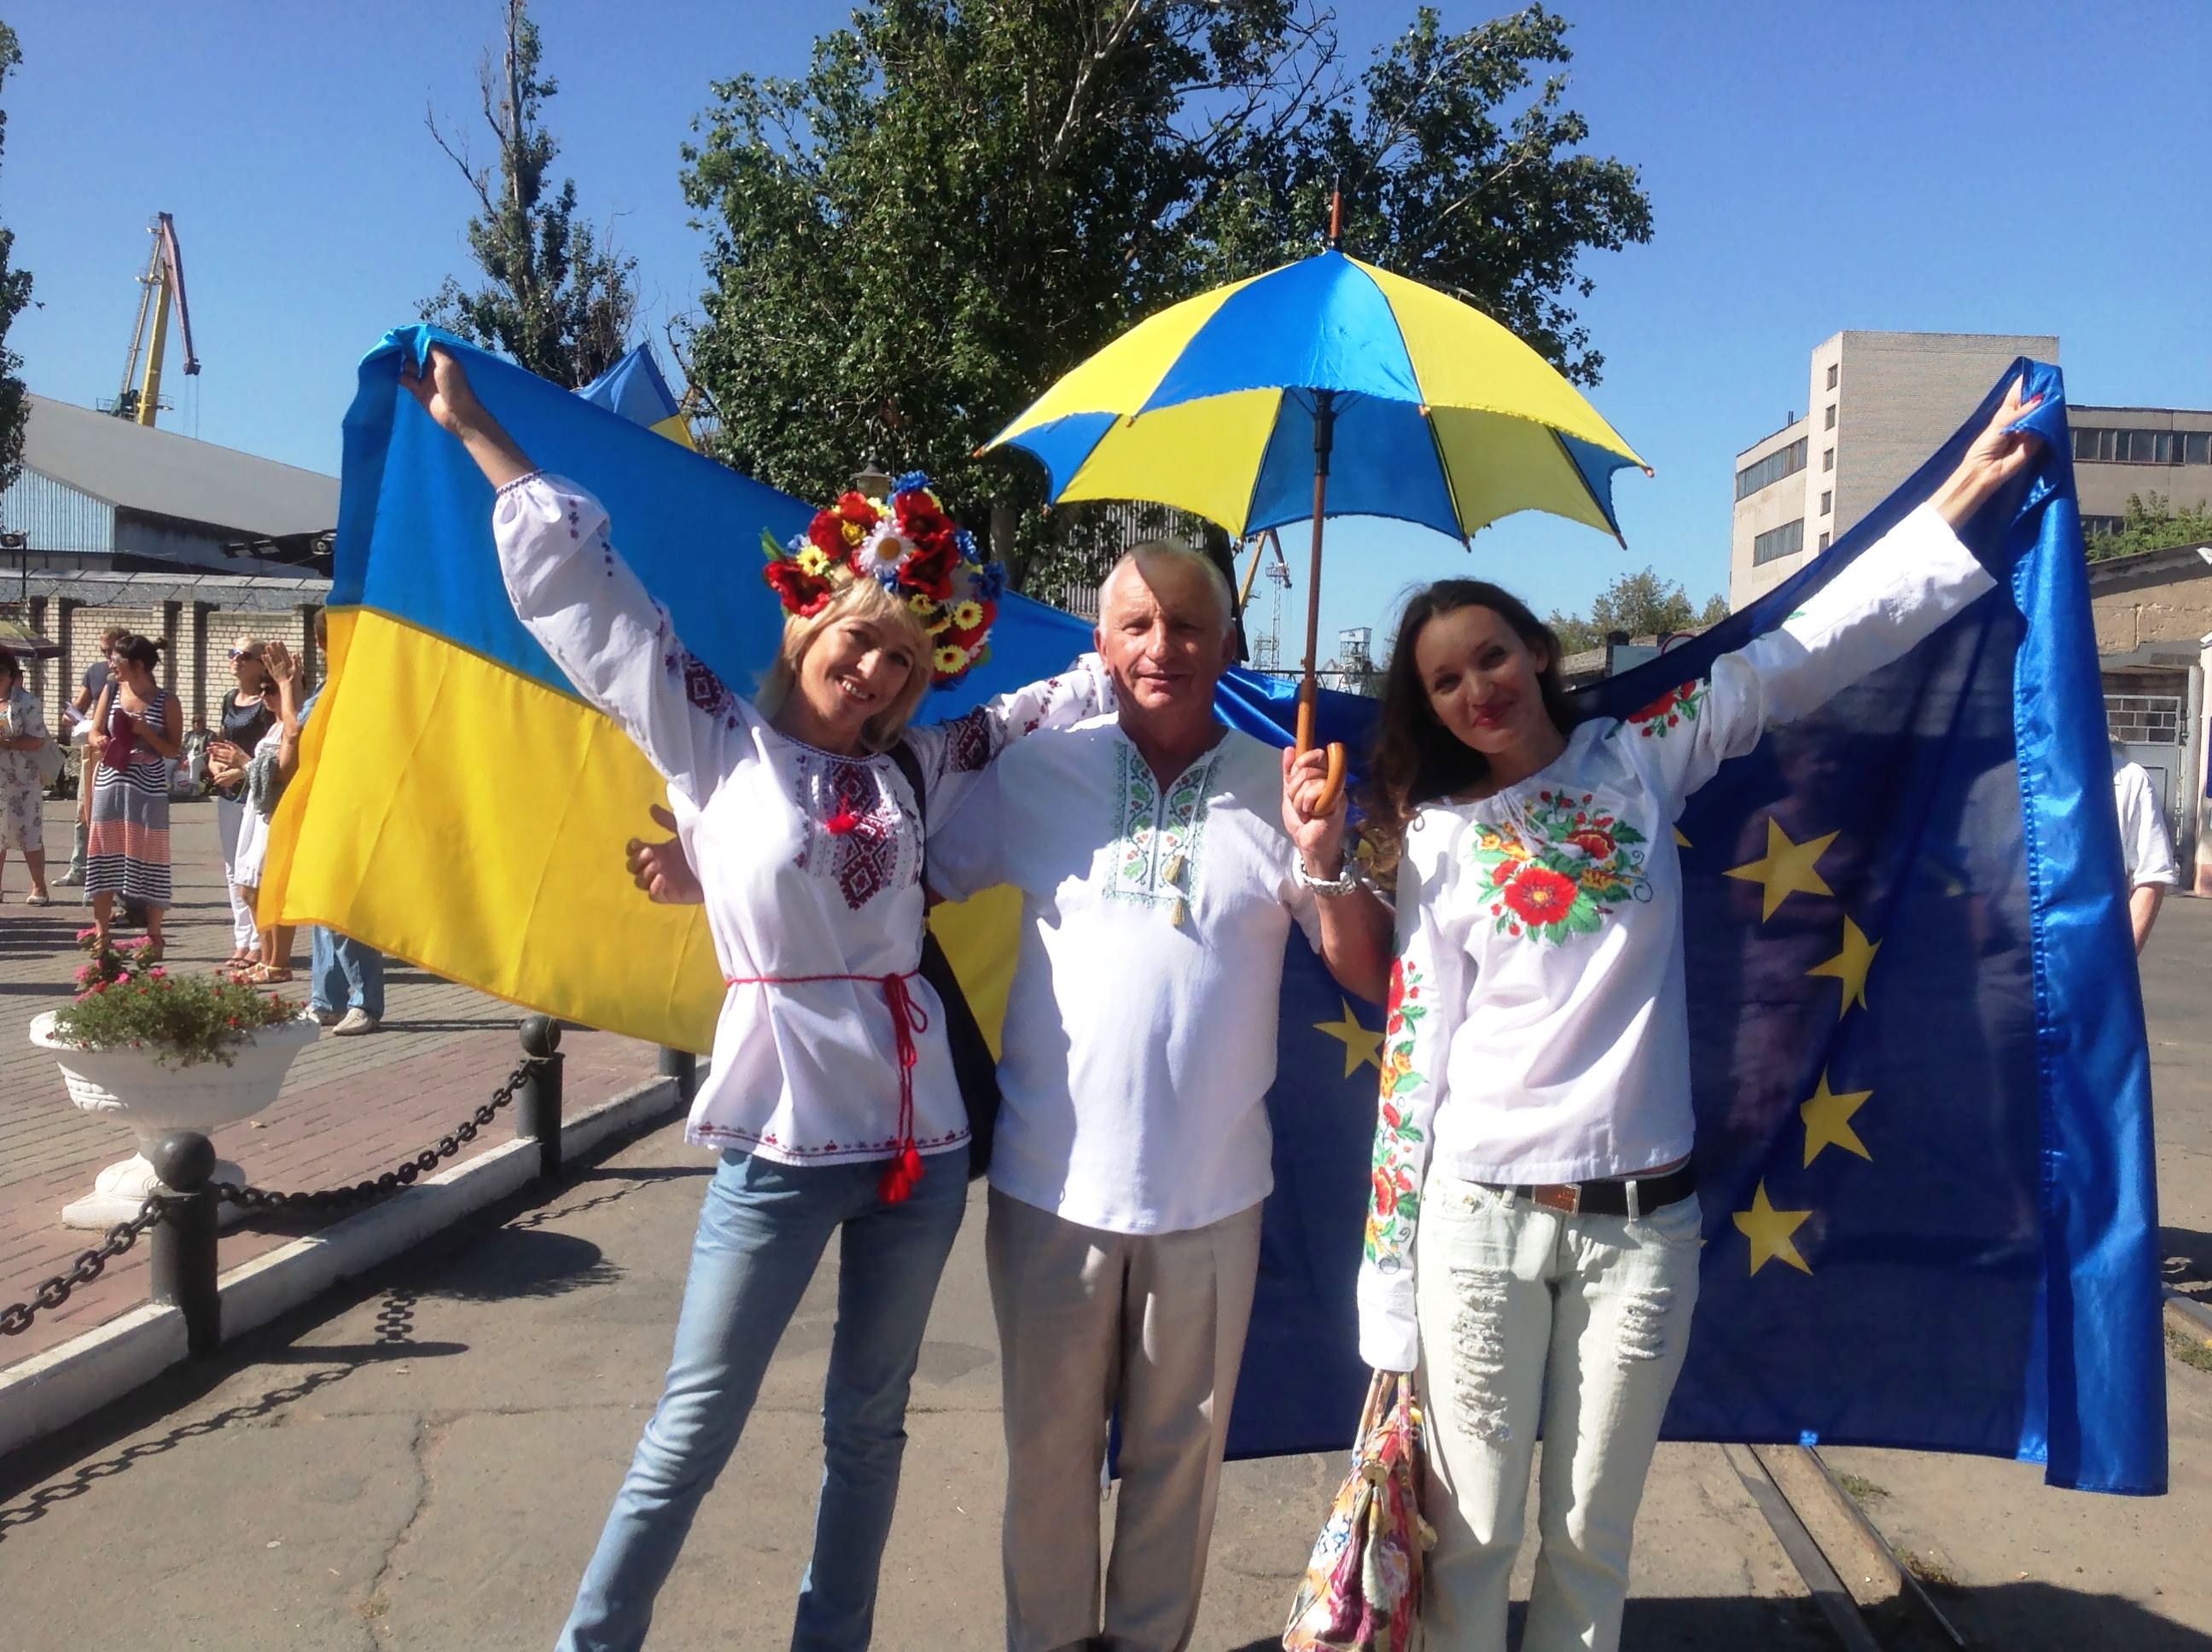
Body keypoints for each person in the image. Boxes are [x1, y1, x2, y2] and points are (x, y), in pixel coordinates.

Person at [1278, 384, 2043, 1652]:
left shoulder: (1640, 759)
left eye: (1491, 656)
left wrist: (1951, 516)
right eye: (1445, 680)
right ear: (1432, 707)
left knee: (1592, 1538)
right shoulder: (1444, 838)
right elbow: (1412, 1058)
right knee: (1472, 1535)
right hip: (1478, 1223)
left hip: (1644, 1230)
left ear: (1539, 652)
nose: (1476, 689)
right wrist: (1390, 1281)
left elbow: (1800, 657)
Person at [402, 342, 1112, 1652]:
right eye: (862, 640)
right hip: (783, 1135)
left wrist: (1152, 652)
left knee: (870, 1426)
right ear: (810, 622)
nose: (878, 674)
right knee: (696, 1424)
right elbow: (597, 604)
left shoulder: (915, 769)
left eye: (904, 660)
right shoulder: (718, 740)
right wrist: (481, 434)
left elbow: (1031, 714)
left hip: (919, 1147)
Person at [922, 543, 1320, 1652]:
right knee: (1047, 1468)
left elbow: (1364, 959)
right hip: (1051, 1193)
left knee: (1176, 1469)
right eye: (1138, 624)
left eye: (1188, 624)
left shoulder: (1284, 784)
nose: (1162, 646)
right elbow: (906, 870)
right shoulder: (1038, 771)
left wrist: (1325, 850)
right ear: (1101, 645)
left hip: (1214, 1202)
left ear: (1228, 644)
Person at [208, 641, 305, 985]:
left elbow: (285, 766)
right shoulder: (275, 725)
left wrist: (287, 684)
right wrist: (236, 765)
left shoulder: (291, 725)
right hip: (257, 810)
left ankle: (277, 963)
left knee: (266, 888)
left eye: (272, 691)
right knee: (248, 888)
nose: (266, 697)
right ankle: (266, 958)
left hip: (275, 812)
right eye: (263, 691)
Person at [83, 633, 183, 954]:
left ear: (137, 665)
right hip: (112, 781)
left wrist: (145, 732)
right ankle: (102, 934)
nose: (111, 664)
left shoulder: (167, 701)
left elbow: (173, 750)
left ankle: (154, 937)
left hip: (148, 788)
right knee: (103, 855)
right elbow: (94, 730)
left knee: (151, 857)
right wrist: (99, 740)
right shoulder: (111, 690)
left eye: (117, 660)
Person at [212, 639, 278, 968]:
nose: (236, 659)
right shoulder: (229, 699)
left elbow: (272, 754)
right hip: (228, 793)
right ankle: (241, 939)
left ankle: (257, 942)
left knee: (255, 869)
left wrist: (241, 770)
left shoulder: (266, 702)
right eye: (233, 653)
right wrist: (215, 765)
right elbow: (222, 741)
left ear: (261, 664)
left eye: (245, 655)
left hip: (257, 794)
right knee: (233, 868)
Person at [54, 625, 128, 886]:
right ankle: (79, 868)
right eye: (103, 651)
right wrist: (70, 716)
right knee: (84, 809)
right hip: (95, 749)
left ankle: (117, 872)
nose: (108, 656)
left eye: (112, 650)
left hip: (122, 750)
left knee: (117, 813)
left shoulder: (131, 674)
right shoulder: (96, 672)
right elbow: (79, 705)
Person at [0, 645, 53, 904]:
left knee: (29, 832)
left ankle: (39, 886)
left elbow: (38, 740)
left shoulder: (27, 703)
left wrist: (8, 743)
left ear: (11, 674)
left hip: (22, 778)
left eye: (1, 671)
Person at [2111, 745, 2177, 954]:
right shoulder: (2023, 777)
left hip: (2096, 958)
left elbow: (2151, 877)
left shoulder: (2129, 780)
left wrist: (2119, 960)